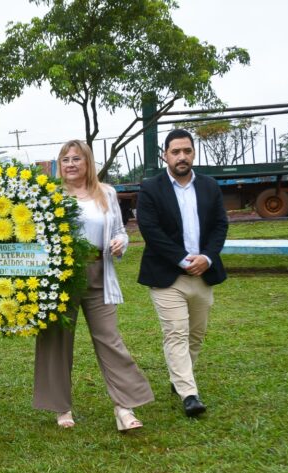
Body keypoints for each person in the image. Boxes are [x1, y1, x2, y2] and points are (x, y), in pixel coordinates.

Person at [34, 140, 154, 432]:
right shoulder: (51, 196)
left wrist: (120, 242)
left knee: (110, 339)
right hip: (62, 277)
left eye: (77, 158)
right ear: (59, 165)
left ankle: (124, 407)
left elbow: (120, 231)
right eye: (65, 160)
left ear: (88, 162)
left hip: (100, 274)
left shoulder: (107, 193)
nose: (71, 164)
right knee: (57, 341)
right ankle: (61, 407)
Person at [137, 128, 228, 418]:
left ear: (193, 153)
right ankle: (189, 394)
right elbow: (150, 230)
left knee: (196, 335)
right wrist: (181, 259)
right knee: (176, 332)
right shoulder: (151, 187)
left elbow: (219, 226)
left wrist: (208, 258)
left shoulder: (210, 186)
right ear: (165, 155)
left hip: (203, 274)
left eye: (186, 151)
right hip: (167, 276)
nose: (181, 156)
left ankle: (179, 379)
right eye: (175, 151)